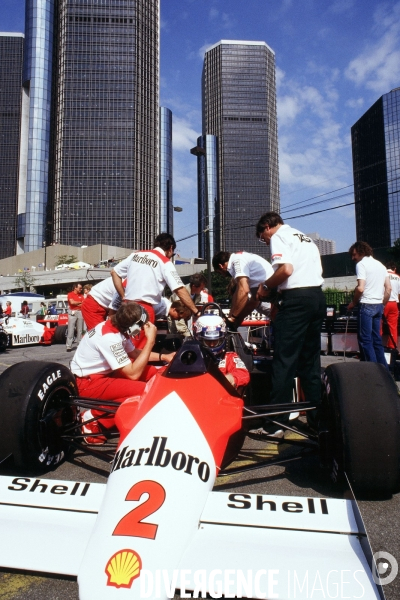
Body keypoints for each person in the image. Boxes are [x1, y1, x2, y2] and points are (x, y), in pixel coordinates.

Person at [255, 212, 326, 435]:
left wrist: (265, 287)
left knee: (284, 362)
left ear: (267, 227)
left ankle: (276, 423)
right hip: (316, 297)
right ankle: (319, 423)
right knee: (310, 363)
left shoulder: (279, 236)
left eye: (262, 237)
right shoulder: (305, 238)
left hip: (295, 301)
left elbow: (286, 270)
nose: (265, 241)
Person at [70, 303, 170, 443]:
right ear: (133, 327)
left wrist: (164, 357)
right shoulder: (109, 337)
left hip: (101, 375)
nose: (142, 330)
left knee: (153, 373)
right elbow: (133, 374)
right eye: (141, 327)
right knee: (144, 392)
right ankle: (91, 418)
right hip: (87, 382)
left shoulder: (117, 327)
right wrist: (150, 341)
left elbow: (134, 353)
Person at [111, 233, 201, 325]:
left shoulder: (136, 255)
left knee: (127, 339)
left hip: (126, 308)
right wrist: (196, 311)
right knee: (146, 339)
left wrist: (123, 297)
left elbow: (114, 272)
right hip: (144, 309)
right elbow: (179, 289)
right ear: (170, 248)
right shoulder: (165, 262)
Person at [347, 242, 390, 367]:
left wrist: (353, 303)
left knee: (365, 340)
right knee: (376, 339)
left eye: (354, 255)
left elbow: (360, 289)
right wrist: (382, 304)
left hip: (366, 304)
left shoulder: (361, 264)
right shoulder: (381, 265)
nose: (353, 258)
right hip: (378, 305)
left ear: (361, 252)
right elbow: (388, 289)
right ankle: (384, 371)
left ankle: (372, 370)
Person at [212, 250, 274, 327]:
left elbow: (244, 290)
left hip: (274, 292)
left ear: (221, 266)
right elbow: (239, 297)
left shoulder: (237, 261)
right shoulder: (239, 260)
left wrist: (233, 318)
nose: (223, 276)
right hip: (272, 294)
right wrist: (232, 320)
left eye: (220, 272)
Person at [193, 313, 250, 392]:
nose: (212, 345)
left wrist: (230, 378)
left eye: (215, 341)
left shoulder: (229, 357)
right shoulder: (191, 357)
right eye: (208, 341)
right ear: (199, 339)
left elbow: (243, 374)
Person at [381, 261, 400, 349]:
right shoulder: (398, 277)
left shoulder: (382, 275)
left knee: (378, 325)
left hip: (383, 302)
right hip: (394, 303)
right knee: (393, 327)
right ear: (394, 269)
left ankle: (377, 346)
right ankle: (392, 347)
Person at [66, 283, 85, 352]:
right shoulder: (70, 294)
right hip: (72, 312)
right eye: (80, 288)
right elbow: (72, 302)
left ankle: (79, 344)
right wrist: (80, 302)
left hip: (80, 312)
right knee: (71, 329)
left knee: (80, 329)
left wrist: (77, 302)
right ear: (75, 288)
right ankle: (69, 346)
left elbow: (84, 303)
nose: (81, 289)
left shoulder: (81, 295)